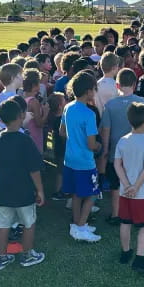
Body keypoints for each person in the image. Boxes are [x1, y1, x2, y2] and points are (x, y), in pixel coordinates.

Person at [0, 99, 45, 270]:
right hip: (23, 191)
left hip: (3, 190)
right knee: (28, 223)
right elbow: (34, 169)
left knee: (3, 224)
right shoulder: (25, 140)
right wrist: (40, 190)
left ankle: (1, 256)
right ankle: (27, 254)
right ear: (21, 115)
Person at [99, 69, 144, 226]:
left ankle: (116, 214)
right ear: (134, 84)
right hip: (139, 151)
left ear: (117, 84)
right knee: (136, 183)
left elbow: (106, 130)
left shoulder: (110, 105)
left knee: (116, 185)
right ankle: (135, 213)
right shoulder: (143, 102)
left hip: (116, 152)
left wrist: (105, 151)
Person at [114, 102, 144, 276]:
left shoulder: (122, 141)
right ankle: (139, 258)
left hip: (125, 192)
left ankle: (125, 252)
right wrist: (136, 187)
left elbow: (117, 164)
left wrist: (127, 185)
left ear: (129, 121)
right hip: (143, 193)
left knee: (125, 222)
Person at [60, 71, 102, 242]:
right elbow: (92, 144)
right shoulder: (89, 114)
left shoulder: (67, 107)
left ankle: (76, 224)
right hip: (85, 161)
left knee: (76, 193)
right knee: (92, 194)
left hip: (70, 159)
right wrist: (100, 146)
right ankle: (81, 226)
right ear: (88, 91)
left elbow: (62, 132)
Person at [22, 69, 49, 153]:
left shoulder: (22, 97)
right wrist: (46, 112)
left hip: (26, 135)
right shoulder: (34, 102)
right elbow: (39, 123)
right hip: (34, 137)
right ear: (34, 85)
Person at [0, 63, 23, 130]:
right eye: (20, 75)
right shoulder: (13, 98)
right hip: (12, 134)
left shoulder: (1, 95)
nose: (23, 77)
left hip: (2, 133)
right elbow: (15, 121)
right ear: (12, 78)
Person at [95, 52, 119, 117]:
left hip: (100, 121)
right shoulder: (117, 86)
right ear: (114, 67)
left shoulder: (96, 85)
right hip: (113, 121)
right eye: (117, 66)